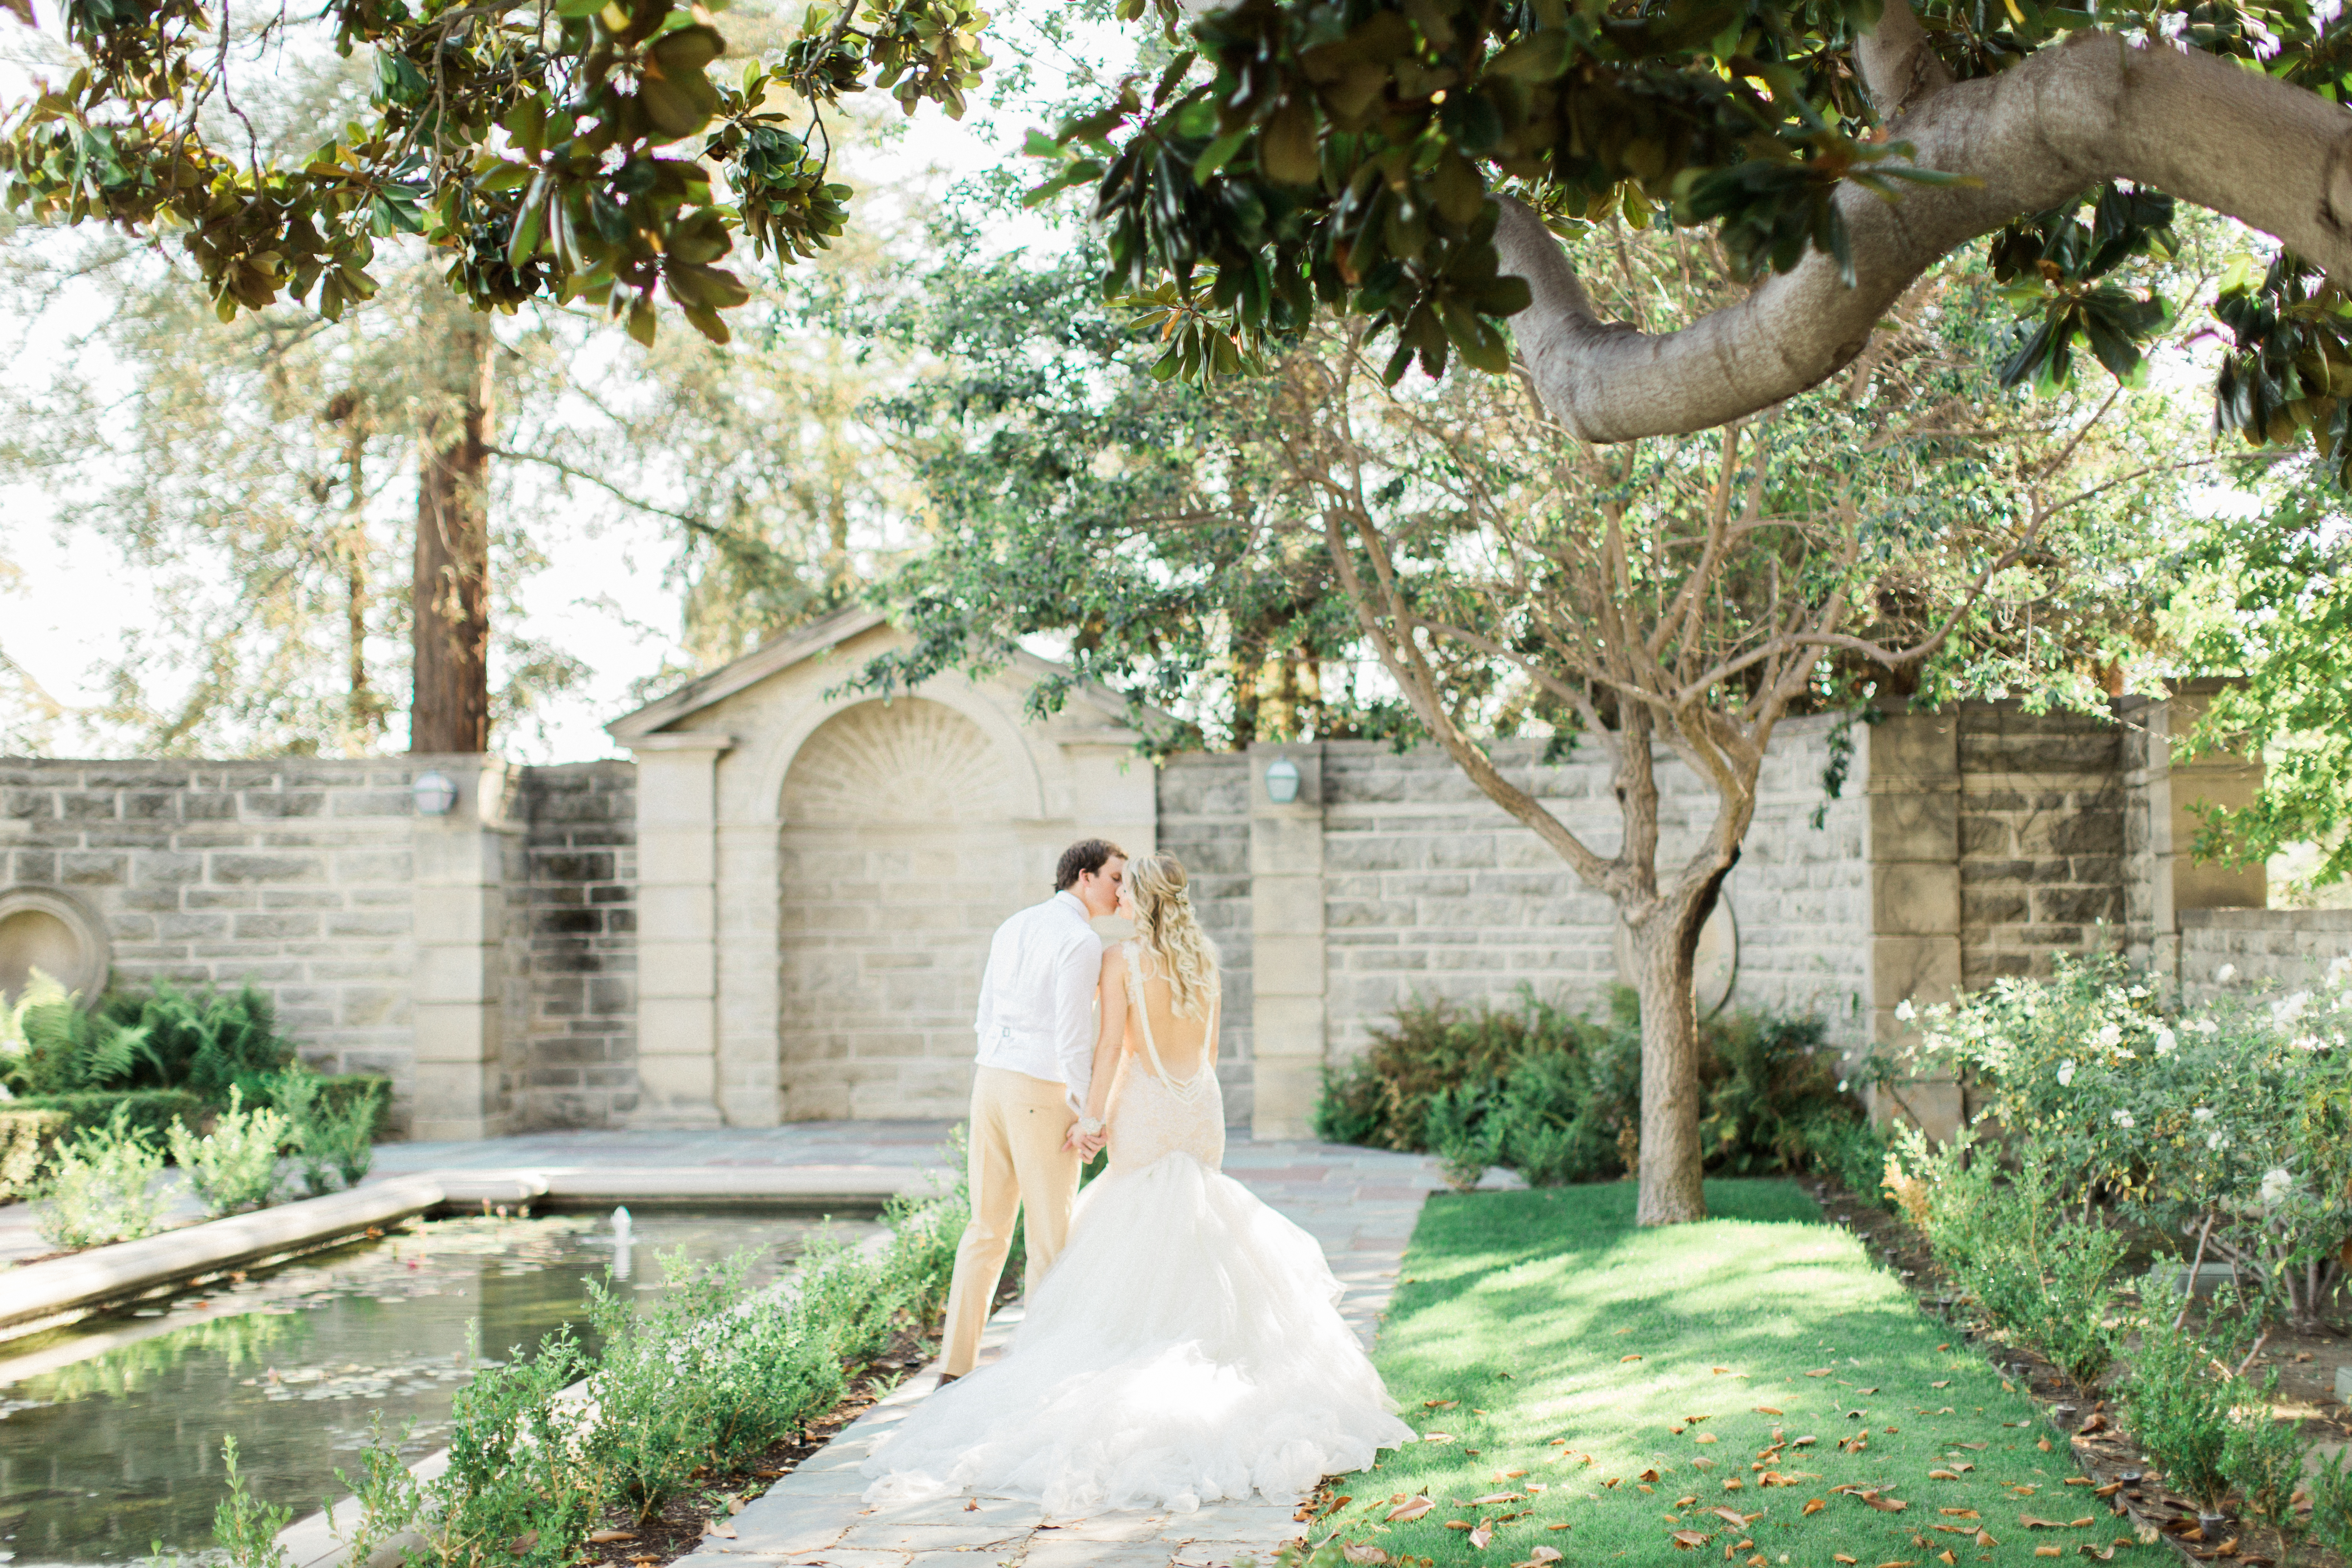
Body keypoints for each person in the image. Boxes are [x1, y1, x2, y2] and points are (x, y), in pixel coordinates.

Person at [864, 851, 1414, 1515]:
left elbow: (1109, 1050)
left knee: (1128, 1223)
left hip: (1140, 1102)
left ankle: (1085, 1351)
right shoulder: (1204, 956)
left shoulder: (1118, 959)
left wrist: (1091, 1117)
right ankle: (1212, 1341)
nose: (1119, 892)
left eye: (1128, 885)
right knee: (1199, 1219)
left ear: (1139, 900)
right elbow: (1208, 1053)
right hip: (1198, 1103)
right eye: (1114, 879)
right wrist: (1176, 1090)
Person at [935, 837, 1127, 1384]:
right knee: (1049, 1236)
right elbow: (1073, 1038)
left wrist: (996, 1065)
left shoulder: (1013, 925)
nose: (1121, 890)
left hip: (989, 1080)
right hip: (1041, 1091)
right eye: (1116, 878)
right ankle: (1041, 1372)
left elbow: (984, 1012)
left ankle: (954, 1369)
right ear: (1085, 877)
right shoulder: (1080, 939)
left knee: (985, 1230)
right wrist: (1089, 1114)